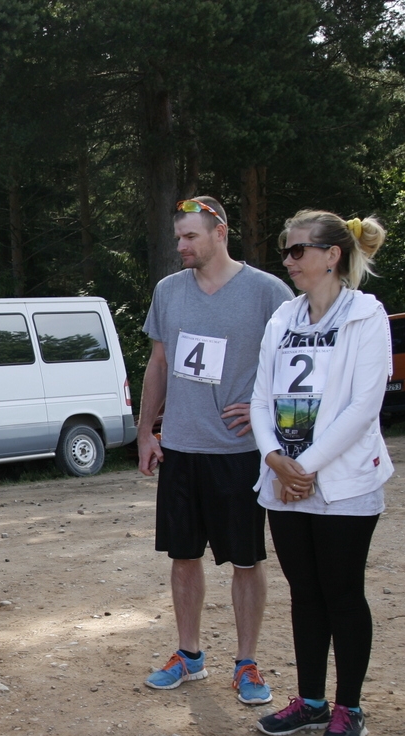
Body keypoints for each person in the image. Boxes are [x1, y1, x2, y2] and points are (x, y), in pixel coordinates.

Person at [137, 196, 293, 705]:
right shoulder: (168, 291)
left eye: (190, 237)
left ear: (219, 232)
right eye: (178, 237)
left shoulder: (268, 292)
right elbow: (158, 364)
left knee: (246, 560)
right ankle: (189, 655)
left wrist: (264, 409)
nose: (181, 245)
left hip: (241, 453)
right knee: (183, 556)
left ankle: (247, 664)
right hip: (181, 447)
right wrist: (146, 433)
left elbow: (292, 364)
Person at [250, 211, 393, 736]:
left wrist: (304, 466)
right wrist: (273, 458)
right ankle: (310, 701)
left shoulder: (366, 315)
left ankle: (348, 707)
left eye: (298, 251)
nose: (288, 261)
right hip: (283, 482)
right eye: (285, 251)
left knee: (341, 593)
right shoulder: (281, 318)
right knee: (304, 594)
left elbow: (363, 406)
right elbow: (260, 398)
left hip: (342, 481)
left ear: (332, 255)